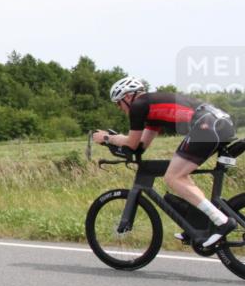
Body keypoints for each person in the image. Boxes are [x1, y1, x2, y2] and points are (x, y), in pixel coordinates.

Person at [93, 77, 237, 248]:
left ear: (129, 96)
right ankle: (200, 222)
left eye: (118, 103)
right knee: (180, 176)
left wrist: (107, 137)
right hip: (219, 123)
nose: (119, 108)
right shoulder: (151, 108)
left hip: (207, 125)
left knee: (173, 177)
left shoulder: (139, 106)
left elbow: (131, 142)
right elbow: (140, 146)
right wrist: (119, 145)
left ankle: (222, 222)